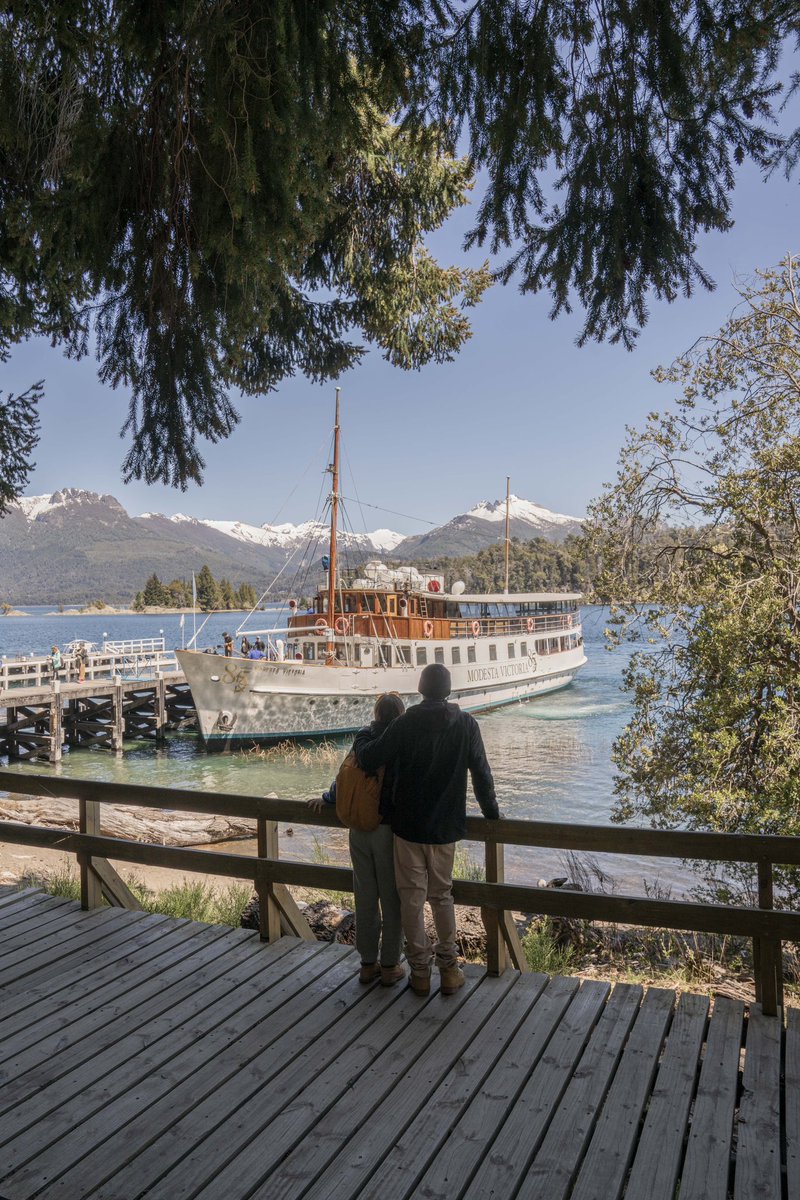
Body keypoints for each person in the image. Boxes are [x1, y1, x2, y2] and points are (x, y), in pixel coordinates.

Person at [358, 663, 499, 997]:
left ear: (420, 689)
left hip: (407, 827)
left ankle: (420, 973)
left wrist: (369, 730)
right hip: (445, 827)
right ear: (448, 691)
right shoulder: (466, 724)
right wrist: (492, 814)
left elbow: (370, 758)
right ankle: (449, 970)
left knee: (411, 899)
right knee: (442, 896)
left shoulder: (406, 722)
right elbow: (481, 772)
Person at [308, 693, 406, 987]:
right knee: (392, 900)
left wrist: (327, 800)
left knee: (364, 897)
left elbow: (345, 780)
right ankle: (390, 966)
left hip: (358, 830)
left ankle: (366, 964)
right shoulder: (401, 743)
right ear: (400, 716)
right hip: (387, 831)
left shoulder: (362, 740)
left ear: (375, 714)